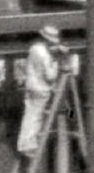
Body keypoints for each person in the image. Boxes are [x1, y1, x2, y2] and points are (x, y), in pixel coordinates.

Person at [17, 25, 61, 155]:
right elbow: (50, 76)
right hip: (41, 89)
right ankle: (29, 146)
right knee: (36, 118)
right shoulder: (46, 56)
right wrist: (55, 63)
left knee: (28, 116)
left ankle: (23, 144)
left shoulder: (34, 48)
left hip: (30, 86)